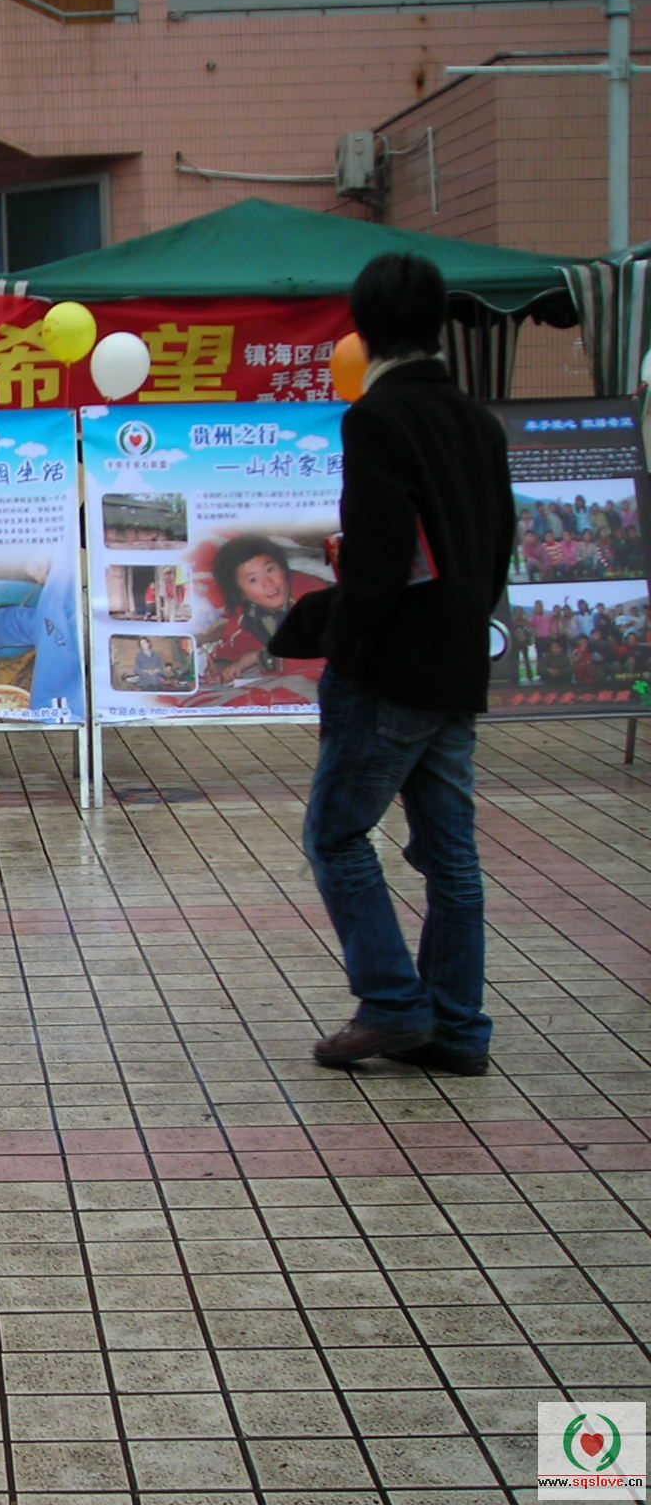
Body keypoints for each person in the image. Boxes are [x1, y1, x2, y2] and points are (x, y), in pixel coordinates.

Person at [274, 253, 514, 1079]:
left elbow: (378, 563)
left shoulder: (377, 419)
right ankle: (458, 1025)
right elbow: (497, 545)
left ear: (362, 327)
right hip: (458, 660)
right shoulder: (478, 421)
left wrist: (341, 639)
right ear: (438, 323)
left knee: (336, 834)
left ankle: (392, 1003)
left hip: (390, 669)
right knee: (450, 855)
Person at [201, 534, 329, 683]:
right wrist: (222, 669)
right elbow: (231, 650)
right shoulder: (247, 615)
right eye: (253, 580)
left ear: (283, 569)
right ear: (241, 593)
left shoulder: (313, 595)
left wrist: (260, 658)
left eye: (269, 570)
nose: (268, 583)